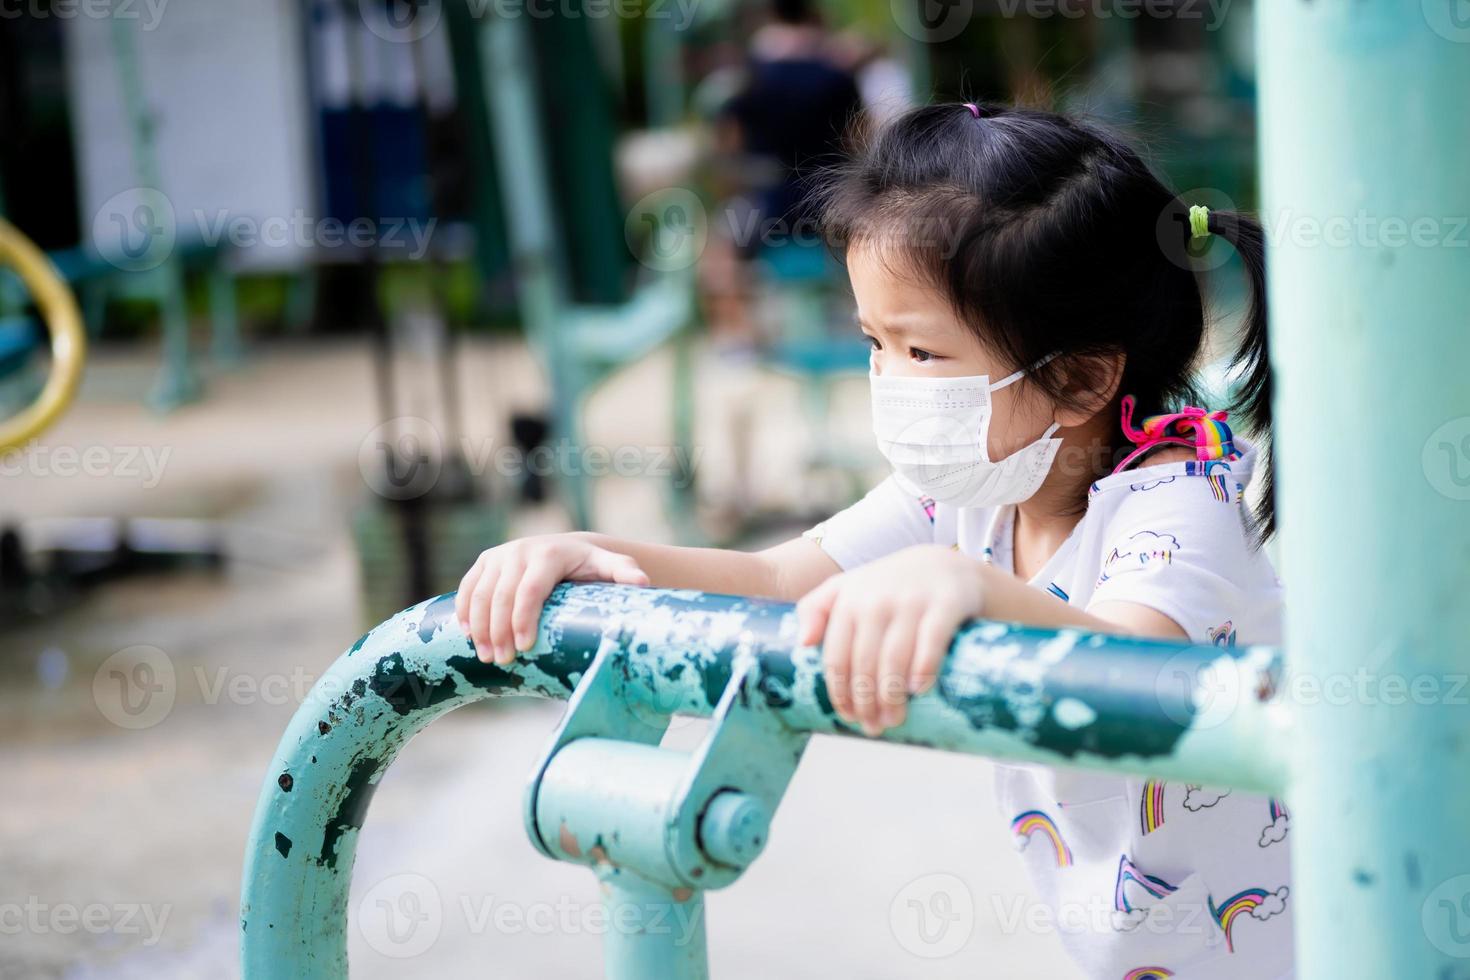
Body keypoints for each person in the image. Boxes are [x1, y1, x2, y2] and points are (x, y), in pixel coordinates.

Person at [456, 102, 1291, 978]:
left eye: (922, 353)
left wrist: (967, 588)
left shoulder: (1177, 500)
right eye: (873, 342)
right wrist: (593, 551)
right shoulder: (962, 495)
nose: (887, 381)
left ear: (1081, 376)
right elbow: (777, 575)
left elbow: (1135, 665)